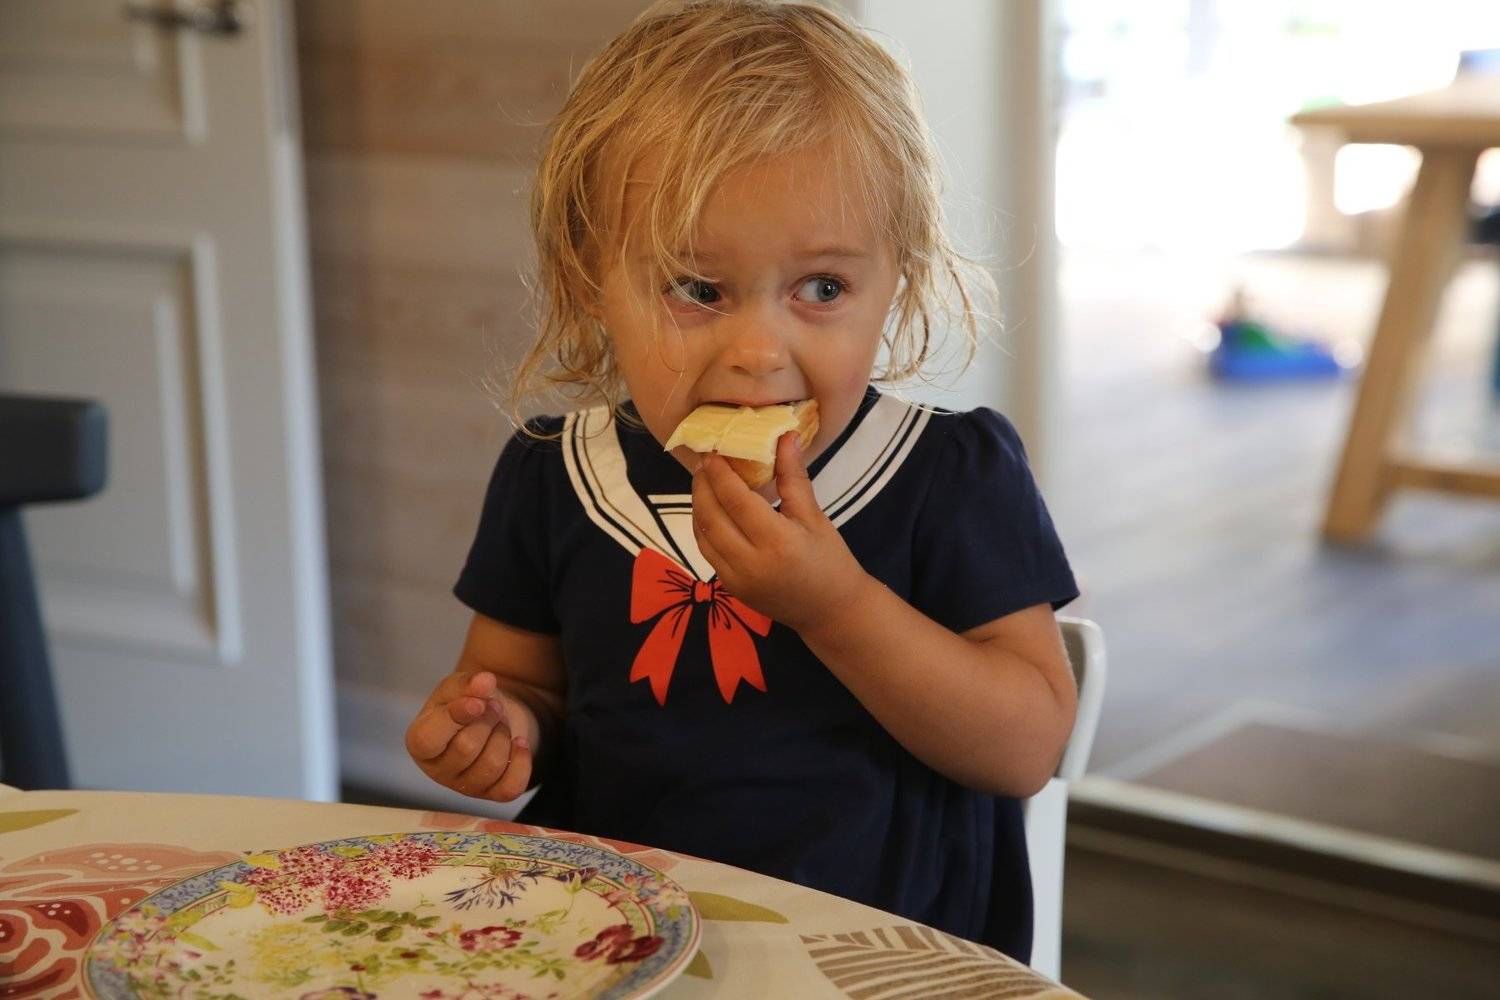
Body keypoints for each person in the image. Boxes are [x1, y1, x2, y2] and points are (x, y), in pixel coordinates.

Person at [404, 0, 1079, 962]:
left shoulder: (949, 476)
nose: (759, 352)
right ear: (590, 280)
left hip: (881, 955)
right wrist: (499, 727)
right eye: (698, 290)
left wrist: (834, 604)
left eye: (823, 289)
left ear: (898, 277)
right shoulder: (554, 476)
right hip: (618, 941)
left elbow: (1024, 749)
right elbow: (522, 686)